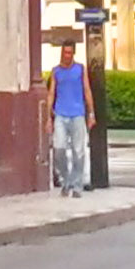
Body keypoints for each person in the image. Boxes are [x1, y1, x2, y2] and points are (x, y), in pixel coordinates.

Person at [47, 43, 94, 197]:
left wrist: (91, 113)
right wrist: (48, 117)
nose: (66, 55)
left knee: (78, 151)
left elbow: (87, 90)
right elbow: (51, 94)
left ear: (73, 54)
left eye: (69, 53)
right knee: (58, 149)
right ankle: (67, 181)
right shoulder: (56, 71)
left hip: (78, 114)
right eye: (64, 52)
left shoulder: (80, 69)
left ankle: (77, 185)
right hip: (60, 114)